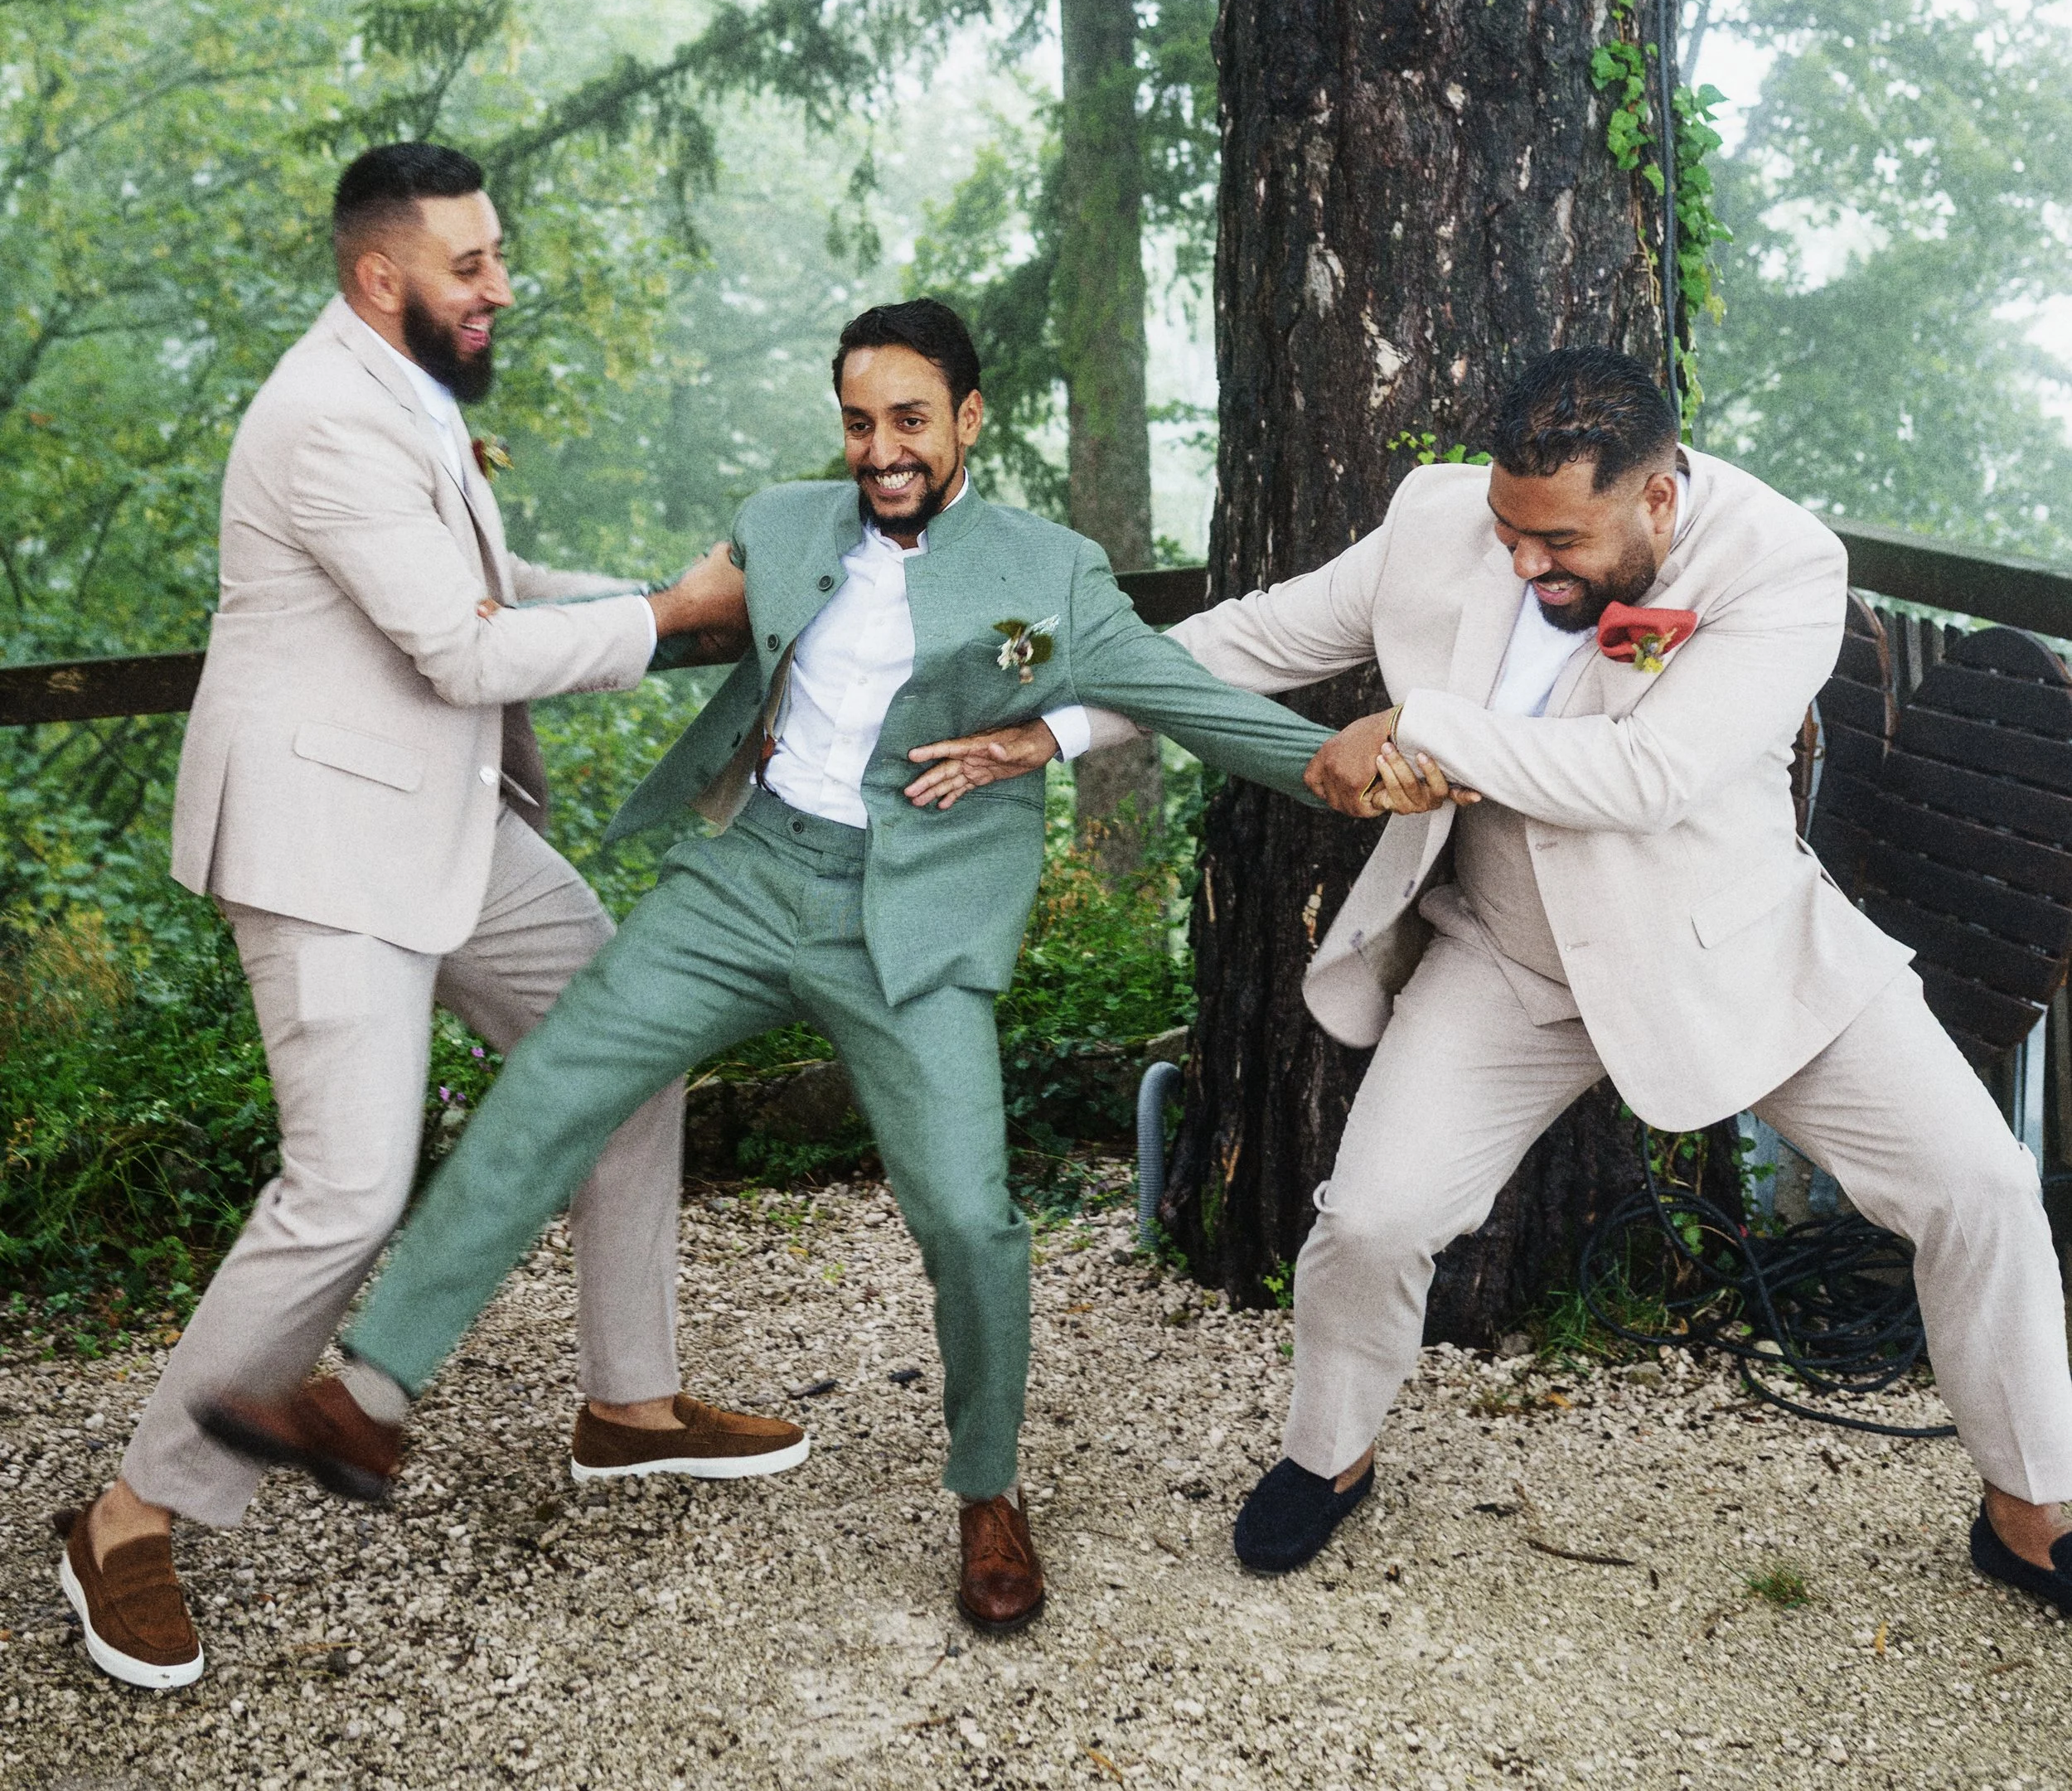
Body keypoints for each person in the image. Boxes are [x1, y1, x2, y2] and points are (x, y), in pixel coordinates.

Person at [202, 297, 1334, 1633]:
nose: (882, 450)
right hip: (748, 880)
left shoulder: (1053, 570)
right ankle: (371, 1398)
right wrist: (477, 611)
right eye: (859, 423)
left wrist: (1331, 768)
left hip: (914, 914)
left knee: (968, 1217)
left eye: (910, 420)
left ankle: (988, 1490)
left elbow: (1184, 698)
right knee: (556, 1081)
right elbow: (662, 610)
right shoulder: (784, 522)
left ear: (969, 420)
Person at [915, 347, 2072, 1603]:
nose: (1523, 563)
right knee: (1370, 1223)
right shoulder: (1438, 518)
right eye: (1508, 531)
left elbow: (1649, 776)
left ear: (1658, 499)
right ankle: (1328, 1458)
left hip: (1733, 948)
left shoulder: (1782, 562)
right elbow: (1250, 636)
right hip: (1508, 956)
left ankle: (2027, 1509)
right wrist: (1062, 726)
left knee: (1982, 1188)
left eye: (1558, 541)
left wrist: (1419, 729)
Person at [58, 144, 803, 1697]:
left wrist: (684, 606)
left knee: (629, 1041)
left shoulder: (405, 393)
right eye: (472, 265)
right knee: (346, 1189)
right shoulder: (323, 416)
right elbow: (463, 653)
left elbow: (495, 584)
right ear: (378, 273)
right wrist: (670, 617)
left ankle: (631, 1405)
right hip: (326, 843)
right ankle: (129, 1517)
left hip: (447, 820)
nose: (500, 287)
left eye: (497, 255)